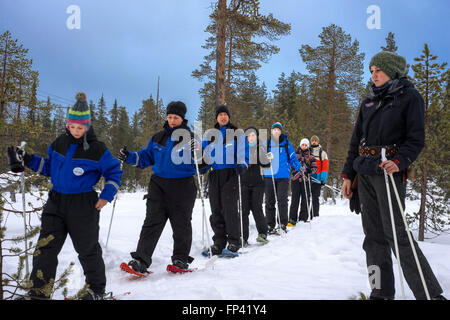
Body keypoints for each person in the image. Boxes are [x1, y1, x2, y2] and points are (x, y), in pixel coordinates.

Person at [341, 51, 445, 300]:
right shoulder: (368, 100)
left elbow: (415, 139)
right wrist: (348, 174)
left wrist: (399, 162)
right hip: (364, 172)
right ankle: (380, 290)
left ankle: (429, 294)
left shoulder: (409, 97)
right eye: (371, 70)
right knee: (373, 237)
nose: (374, 75)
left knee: (398, 235)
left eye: (378, 70)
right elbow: (356, 141)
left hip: (388, 173)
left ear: (392, 71)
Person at [7, 92, 122, 300]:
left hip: (83, 204)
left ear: (87, 126)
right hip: (56, 202)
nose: (76, 131)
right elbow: (49, 167)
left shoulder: (97, 149)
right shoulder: (58, 143)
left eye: (80, 127)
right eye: (72, 126)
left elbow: (114, 172)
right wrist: (28, 159)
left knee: (88, 250)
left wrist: (106, 195)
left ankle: (96, 291)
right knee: (45, 249)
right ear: (67, 124)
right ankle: (39, 292)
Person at [119, 101, 203, 273]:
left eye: (176, 117)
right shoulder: (158, 138)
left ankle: (180, 259)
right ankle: (140, 260)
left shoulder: (192, 138)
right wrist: (128, 156)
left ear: (183, 118)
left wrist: (198, 152)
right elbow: (145, 157)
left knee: (181, 224)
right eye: (170, 117)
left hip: (183, 185)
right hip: (158, 185)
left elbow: (202, 165)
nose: (172, 120)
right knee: (151, 222)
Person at [202, 105, 246, 256]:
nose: (222, 117)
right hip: (214, 175)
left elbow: (243, 151)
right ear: (216, 118)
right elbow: (204, 154)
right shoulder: (210, 135)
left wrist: (242, 163)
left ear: (228, 117)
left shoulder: (236, 133)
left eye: (225, 114)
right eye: (220, 114)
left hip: (231, 173)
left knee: (229, 208)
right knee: (216, 209)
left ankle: (234, 241)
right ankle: (218, 243)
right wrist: (202, 166)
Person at [262, 122, 302, 234]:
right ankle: (270, 224)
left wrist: (299, 168)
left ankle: (282, 224)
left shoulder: (286, 144)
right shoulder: (267, 143)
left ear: (281, 132)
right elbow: (260, 157)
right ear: (271, 131)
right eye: (274, 129)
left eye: (278, 130)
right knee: (269, 201)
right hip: (269, 175)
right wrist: (265, 158)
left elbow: (293, 158)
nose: (276, 131)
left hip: (283, 176)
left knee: (282, 200)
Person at [240, 126, 271, 245]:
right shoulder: (242, 149)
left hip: (258, 183)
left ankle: (262, 233)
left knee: (257, 208)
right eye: (249, 135)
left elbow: (266, 165)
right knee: (244, 210)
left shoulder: (260, 148)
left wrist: (268, 159)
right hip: (244, 183)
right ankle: (243, 237)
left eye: (253, 135)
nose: (251, 137)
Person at [288, 138, 317, 225]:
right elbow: (291, 166)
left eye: (305, 145)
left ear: (308, 146)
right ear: (300, 145)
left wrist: (309, 171)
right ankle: (292, 218)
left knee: (305, 199)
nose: (304, 146)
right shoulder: (295, 155)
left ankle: (303, 218)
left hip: (306, 180)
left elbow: (314, 168)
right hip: (296, 179)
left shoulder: (311, 157)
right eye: (302, 145)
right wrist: (295, 170)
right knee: (295, 199)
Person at [309, 135, 329, 217]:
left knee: (315, 198)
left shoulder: (322, 153)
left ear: (318, 142)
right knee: (306, 198)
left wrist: (323, 179)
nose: (314, 142)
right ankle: (306, 215)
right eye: (312, 140)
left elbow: (325, 167)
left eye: (315, 141)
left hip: (317, 178)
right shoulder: (307, 151)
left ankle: (314, 215)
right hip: (308, 178)